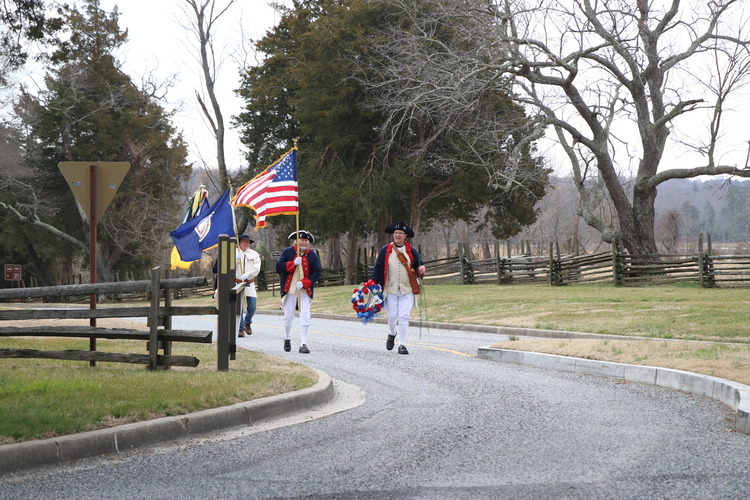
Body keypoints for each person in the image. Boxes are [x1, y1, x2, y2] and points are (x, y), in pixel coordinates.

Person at [370, 221, 427, 355]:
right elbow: (378, 268)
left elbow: (419, 267)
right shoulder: (386, 249)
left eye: (400, 233)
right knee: (392, 316)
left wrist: (422, 269)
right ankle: (392, 333)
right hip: (390, 288)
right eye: (396, 233)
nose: (397, 235)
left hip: (407, 289)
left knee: (404, 316)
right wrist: (372, 282)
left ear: (405, 235)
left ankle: (402, 344)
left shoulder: (411, 250)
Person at [276, 230, 322, 353]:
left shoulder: (313, 255)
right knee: (288, 316)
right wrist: (292, 264)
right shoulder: (288, 252)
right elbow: (278, 267)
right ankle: (287, 337)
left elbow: (317, 273)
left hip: (304, 290)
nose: (304, 242)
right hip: (289, 289)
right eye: (302, 240)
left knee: (305, 315)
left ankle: (303, 343)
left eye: (306, 241)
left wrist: (305, 282)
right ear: (297, 240)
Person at [236, 234, 262, 337]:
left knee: (252, 306)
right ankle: (241, 327)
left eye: (247, 242)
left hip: (249, 282)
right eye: (244, 241)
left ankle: (248, 322)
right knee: (239, 307)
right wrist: (234, 259)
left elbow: (256, 268)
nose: (246, 243)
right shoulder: (234, 253)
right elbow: (227, 266)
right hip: (237, 282)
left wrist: (248, 274)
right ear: (239, 242)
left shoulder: (254, 254)